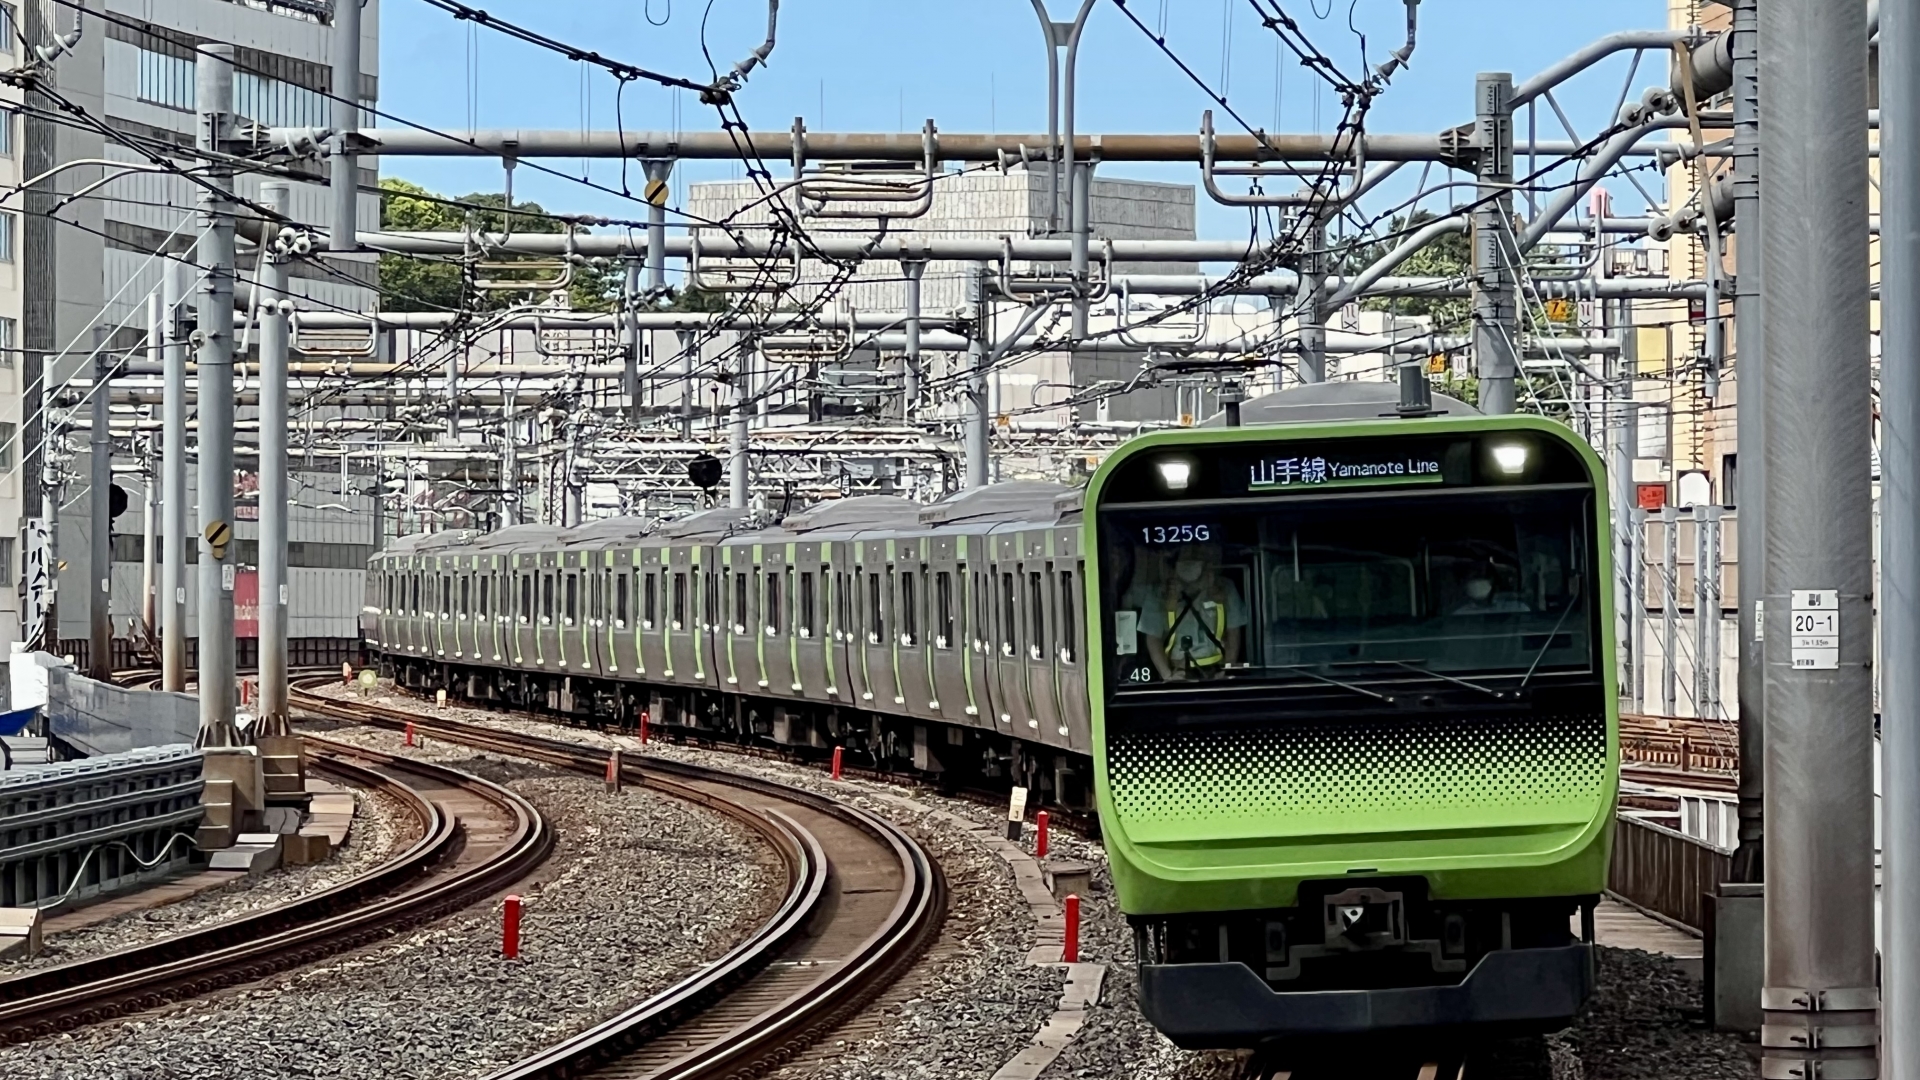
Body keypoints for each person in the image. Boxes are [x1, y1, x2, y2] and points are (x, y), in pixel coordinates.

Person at [1142, 542, 1247, 680]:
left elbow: (1234, 632)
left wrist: (1227, 670)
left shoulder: (1225, 588)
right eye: (1185, 554)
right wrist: (1168, 676)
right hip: (1178, 670)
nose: (1191, 559)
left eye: (1196, 554)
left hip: (1215, 671)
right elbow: (1153, 639)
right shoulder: (1158, 593)